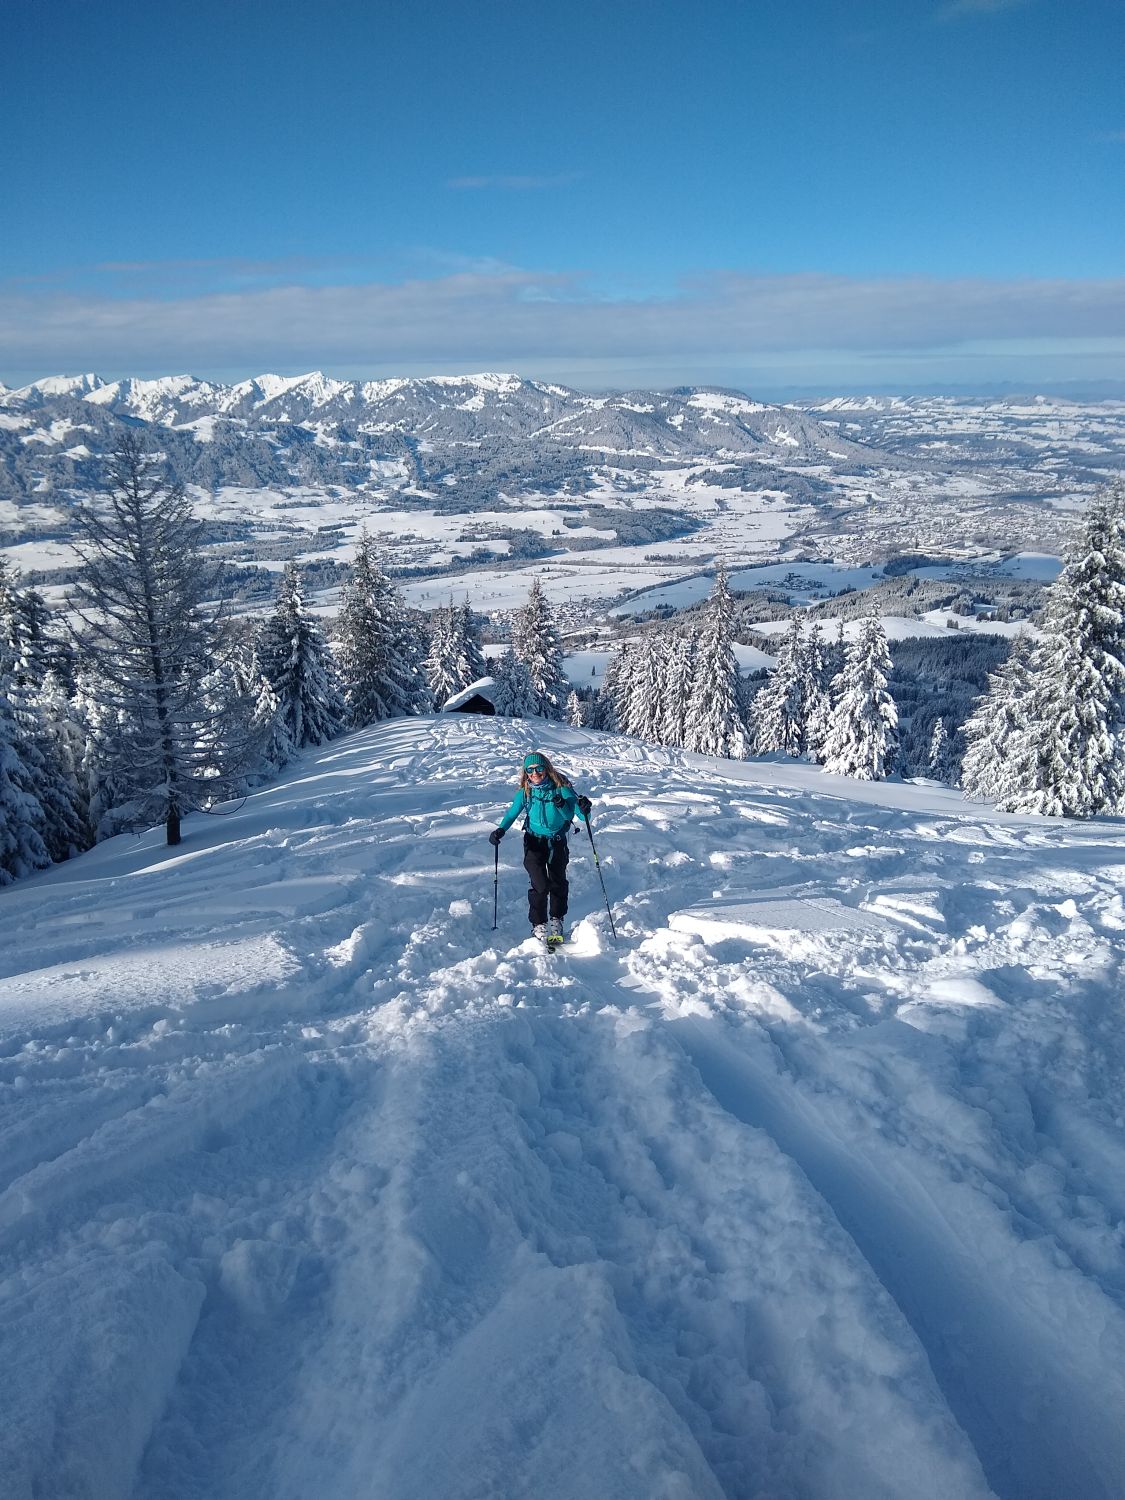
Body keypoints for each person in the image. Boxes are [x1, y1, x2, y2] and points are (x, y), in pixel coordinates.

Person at [489, 751, 592, 946]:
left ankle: (556, 919)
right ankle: (538, 923)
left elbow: (578, 814)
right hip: (533, 841)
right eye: (530, 770)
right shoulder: (526, 791)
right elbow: (512, 813)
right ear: (525, 772)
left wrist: (584, 807)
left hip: (557, 842)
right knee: (540, 884)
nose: (535, 773)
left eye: (539, 768)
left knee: (558, 881)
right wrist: (500, 830)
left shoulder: (561, 787)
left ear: (547, 768)